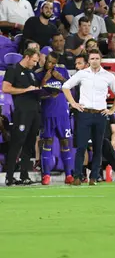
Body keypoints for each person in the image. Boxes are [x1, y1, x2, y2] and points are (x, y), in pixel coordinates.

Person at [62, 49, 115, 186]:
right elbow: (65, 86)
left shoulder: (108, 76)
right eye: (92, 59)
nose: (95, 61)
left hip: (100, 114)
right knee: (81, 147)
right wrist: (73, 103)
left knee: (98, 147)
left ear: (100, 59)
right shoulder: (82, 74)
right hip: (84, 113)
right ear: (88, 61)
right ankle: (78, 176)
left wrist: (112, 110)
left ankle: (94, 177)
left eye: (97, 58)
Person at [2, 48, 41, 186]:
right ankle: (9, 176)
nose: (35, 64)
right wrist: (25, 90)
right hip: (22, 112)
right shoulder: (13, 70)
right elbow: (5, 88)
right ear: (27, 57)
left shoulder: (31, 73)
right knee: (17, 143)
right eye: (34, 61)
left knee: (29, 144)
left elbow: (33, 89)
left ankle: (25, 176)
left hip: (34, 112)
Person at [34, 51, 74, 185]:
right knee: (47, 142)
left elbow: (71, 87)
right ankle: (46, 175)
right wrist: (44, 80)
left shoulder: (62, 70)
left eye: (53, 63)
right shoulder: (38, 73)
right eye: (49, 61)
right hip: (48, 113)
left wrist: (61, 79)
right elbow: (36, 92)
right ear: (45, 60)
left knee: (65, 142)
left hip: (62, 113)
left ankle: (68, 175)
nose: (50, 65)